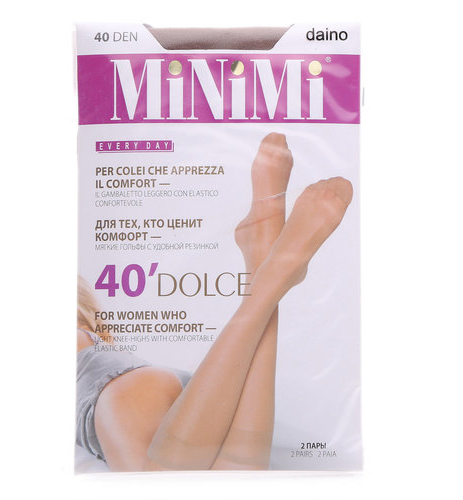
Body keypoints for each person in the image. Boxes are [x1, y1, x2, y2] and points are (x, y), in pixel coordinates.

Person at [76, 133, 353, 471]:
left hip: (114, 391)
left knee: (162, 486)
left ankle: (274, 271)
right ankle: (266, 265)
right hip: (184, 396)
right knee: (239, 475)